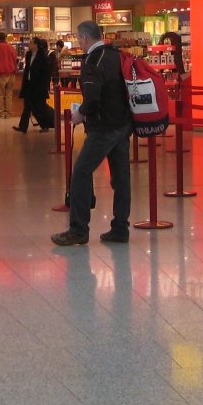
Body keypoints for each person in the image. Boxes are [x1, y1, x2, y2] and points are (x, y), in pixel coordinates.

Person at [52, 21, 133, 246]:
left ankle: (78, 229)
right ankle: (120, 228)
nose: (79, 42)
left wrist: (81, 114)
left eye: (79, 38)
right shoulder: (115, 55)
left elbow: (93, 98)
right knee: (121, 178)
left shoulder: (92, 60)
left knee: (81, 172)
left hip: (103, 127)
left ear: (85, 38)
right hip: (123, 123)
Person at [15, 37, 52, 134]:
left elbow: (46, 73)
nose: (29, 44)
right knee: (27, 105)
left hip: (38, 85)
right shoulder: (29, 55)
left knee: (39, 106)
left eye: (31, 42)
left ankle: (45, 124)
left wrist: (43, 85)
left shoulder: (42, 57)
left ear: (36, 45)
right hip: (29, 84)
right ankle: (23, 126)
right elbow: (28, 69)